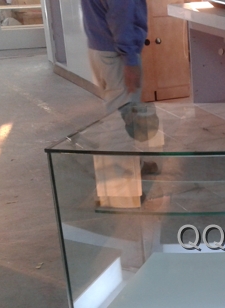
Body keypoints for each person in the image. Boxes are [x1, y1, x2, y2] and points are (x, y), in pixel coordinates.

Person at [80, 0, 158, 208]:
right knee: (119, 121)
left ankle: (134, 163)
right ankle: (117, 191)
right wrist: (130, 59)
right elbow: (121, 16)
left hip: (100, 46)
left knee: (123, 113)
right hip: (116, 53)